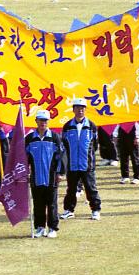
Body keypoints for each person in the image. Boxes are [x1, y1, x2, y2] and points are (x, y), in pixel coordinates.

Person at [60, 99, 100, 221]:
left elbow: (95, 145)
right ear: (73, 109)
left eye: (82, 108)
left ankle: (95, 210)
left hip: (87, 164)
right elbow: (64, 145)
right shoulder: (67, 126)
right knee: (71, 189)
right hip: (72, 164)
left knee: (90, 188)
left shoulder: (91, 126)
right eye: (77, 108)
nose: (80, 110)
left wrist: (88, 157)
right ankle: (69, 210)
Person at [25, 110, 62, 239]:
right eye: (41, 120)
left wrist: (60, 173)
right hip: (36, 176)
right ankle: (40, 227)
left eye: (45, 120)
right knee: (38, 202)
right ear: (36, 121)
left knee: (51, 203)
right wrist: (25, 171)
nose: (43, 123)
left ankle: (52, 228)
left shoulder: (55, 137)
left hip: (51, 176)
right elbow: (25, 157)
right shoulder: (29, 138)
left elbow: (61, 156)